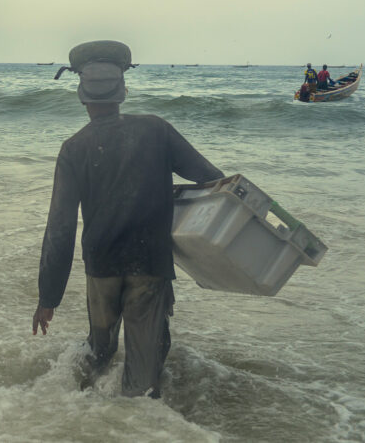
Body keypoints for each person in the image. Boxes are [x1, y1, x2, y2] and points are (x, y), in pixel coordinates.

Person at [32, 41, 223, 398]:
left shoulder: (73, 148)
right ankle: (135, 426)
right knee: (144, 374)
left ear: (82, 96)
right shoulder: (156, 130)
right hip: (149, 266)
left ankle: (79, 414)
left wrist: (48, 298)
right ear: (123, 92)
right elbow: (212, 179)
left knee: (99, 351)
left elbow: (59, 227)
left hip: (100, 268)